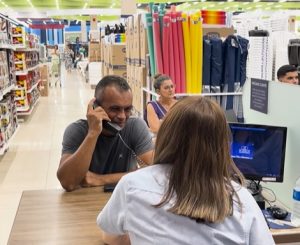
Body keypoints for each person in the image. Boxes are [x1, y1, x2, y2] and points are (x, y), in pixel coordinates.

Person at [97, 96, 275, 245]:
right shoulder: (240, 199)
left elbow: (109, 232)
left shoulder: (132, 186)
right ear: (222, 144)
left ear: (166, 135)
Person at [57, 75, 154, 192]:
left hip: (123, 201)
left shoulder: (135, 126)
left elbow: (154, 171)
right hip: (85, 203)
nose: (122, 116)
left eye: (127, 109)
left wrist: (101, 179)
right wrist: (93, 133)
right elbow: (68, 182)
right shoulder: (77, 131)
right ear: (96, 107)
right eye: (115, 109)